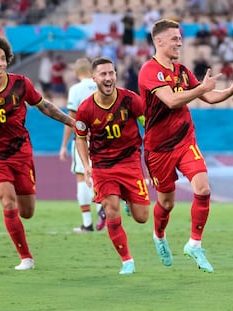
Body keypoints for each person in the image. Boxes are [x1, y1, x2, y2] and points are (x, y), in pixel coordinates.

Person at [138, 19, 233, 273]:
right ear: (159, 41)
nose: (179, 42)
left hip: (185, 140)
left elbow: (208, 96)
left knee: (203, 189)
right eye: (174, 38)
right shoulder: (149, 71)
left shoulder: (183, 71)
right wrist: (200, 89)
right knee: (166, 203)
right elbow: (172, 101)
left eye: (180, 38)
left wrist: (231, 89)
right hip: (158, 148)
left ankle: (194, 244)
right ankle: (159, 235)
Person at [0, 36, 75, 270]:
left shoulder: (21, 83)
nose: (0, 63)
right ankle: (26, 258)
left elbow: (44, 106)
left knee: (27, 211)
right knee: (7, 201)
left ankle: (24, 247)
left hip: (21, 152)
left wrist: (71, 121)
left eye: (2, 58)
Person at [75, 57, 150, 275]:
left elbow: (148, 125)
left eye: (111, 73)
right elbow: (80, 138)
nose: (108, 78)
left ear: (115, 75)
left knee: (142, 217)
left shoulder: (130, 100)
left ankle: (128, 199)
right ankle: (127, 260)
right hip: (103, 166)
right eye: (103, 74)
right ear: (94, 78)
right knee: (111, 209)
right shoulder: (86, 109)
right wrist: (86, 165)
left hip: (130, 162)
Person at [59, 58, 107, 232]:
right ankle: (101, 206)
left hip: (83, 139)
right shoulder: (102, 85)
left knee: (82, 176)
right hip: (103, 138)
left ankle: (87, 223)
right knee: (99, 176)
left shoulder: (75, 89)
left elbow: (70, 119)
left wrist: (64, 145)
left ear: (75, 72)